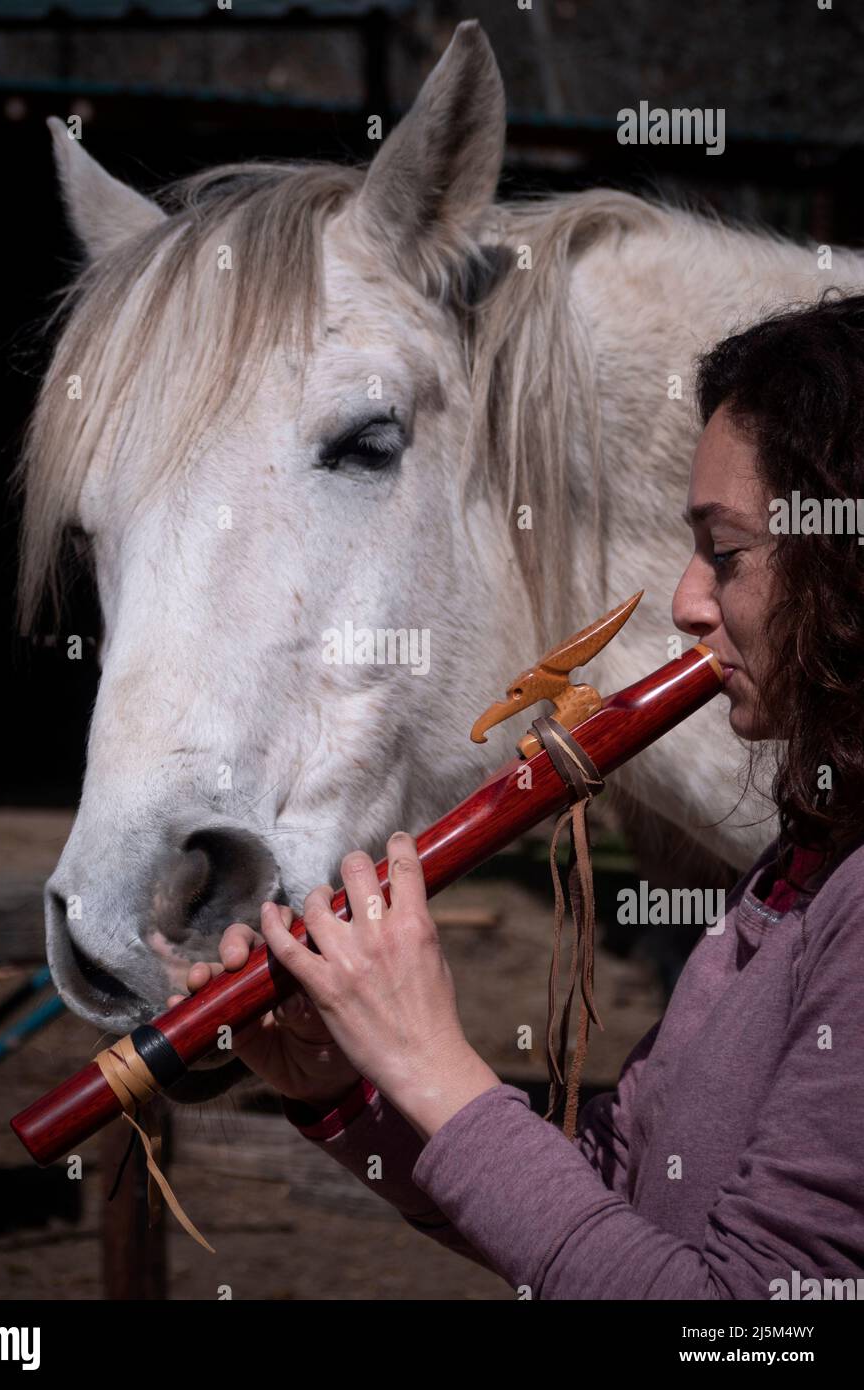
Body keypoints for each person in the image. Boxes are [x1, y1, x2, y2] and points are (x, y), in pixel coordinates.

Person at [169, 291, 864, 1299]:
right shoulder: (810, 860)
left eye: (726, 553)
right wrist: (347, 1089)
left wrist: (430, 1060)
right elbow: (615, 1203)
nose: (686, 601)